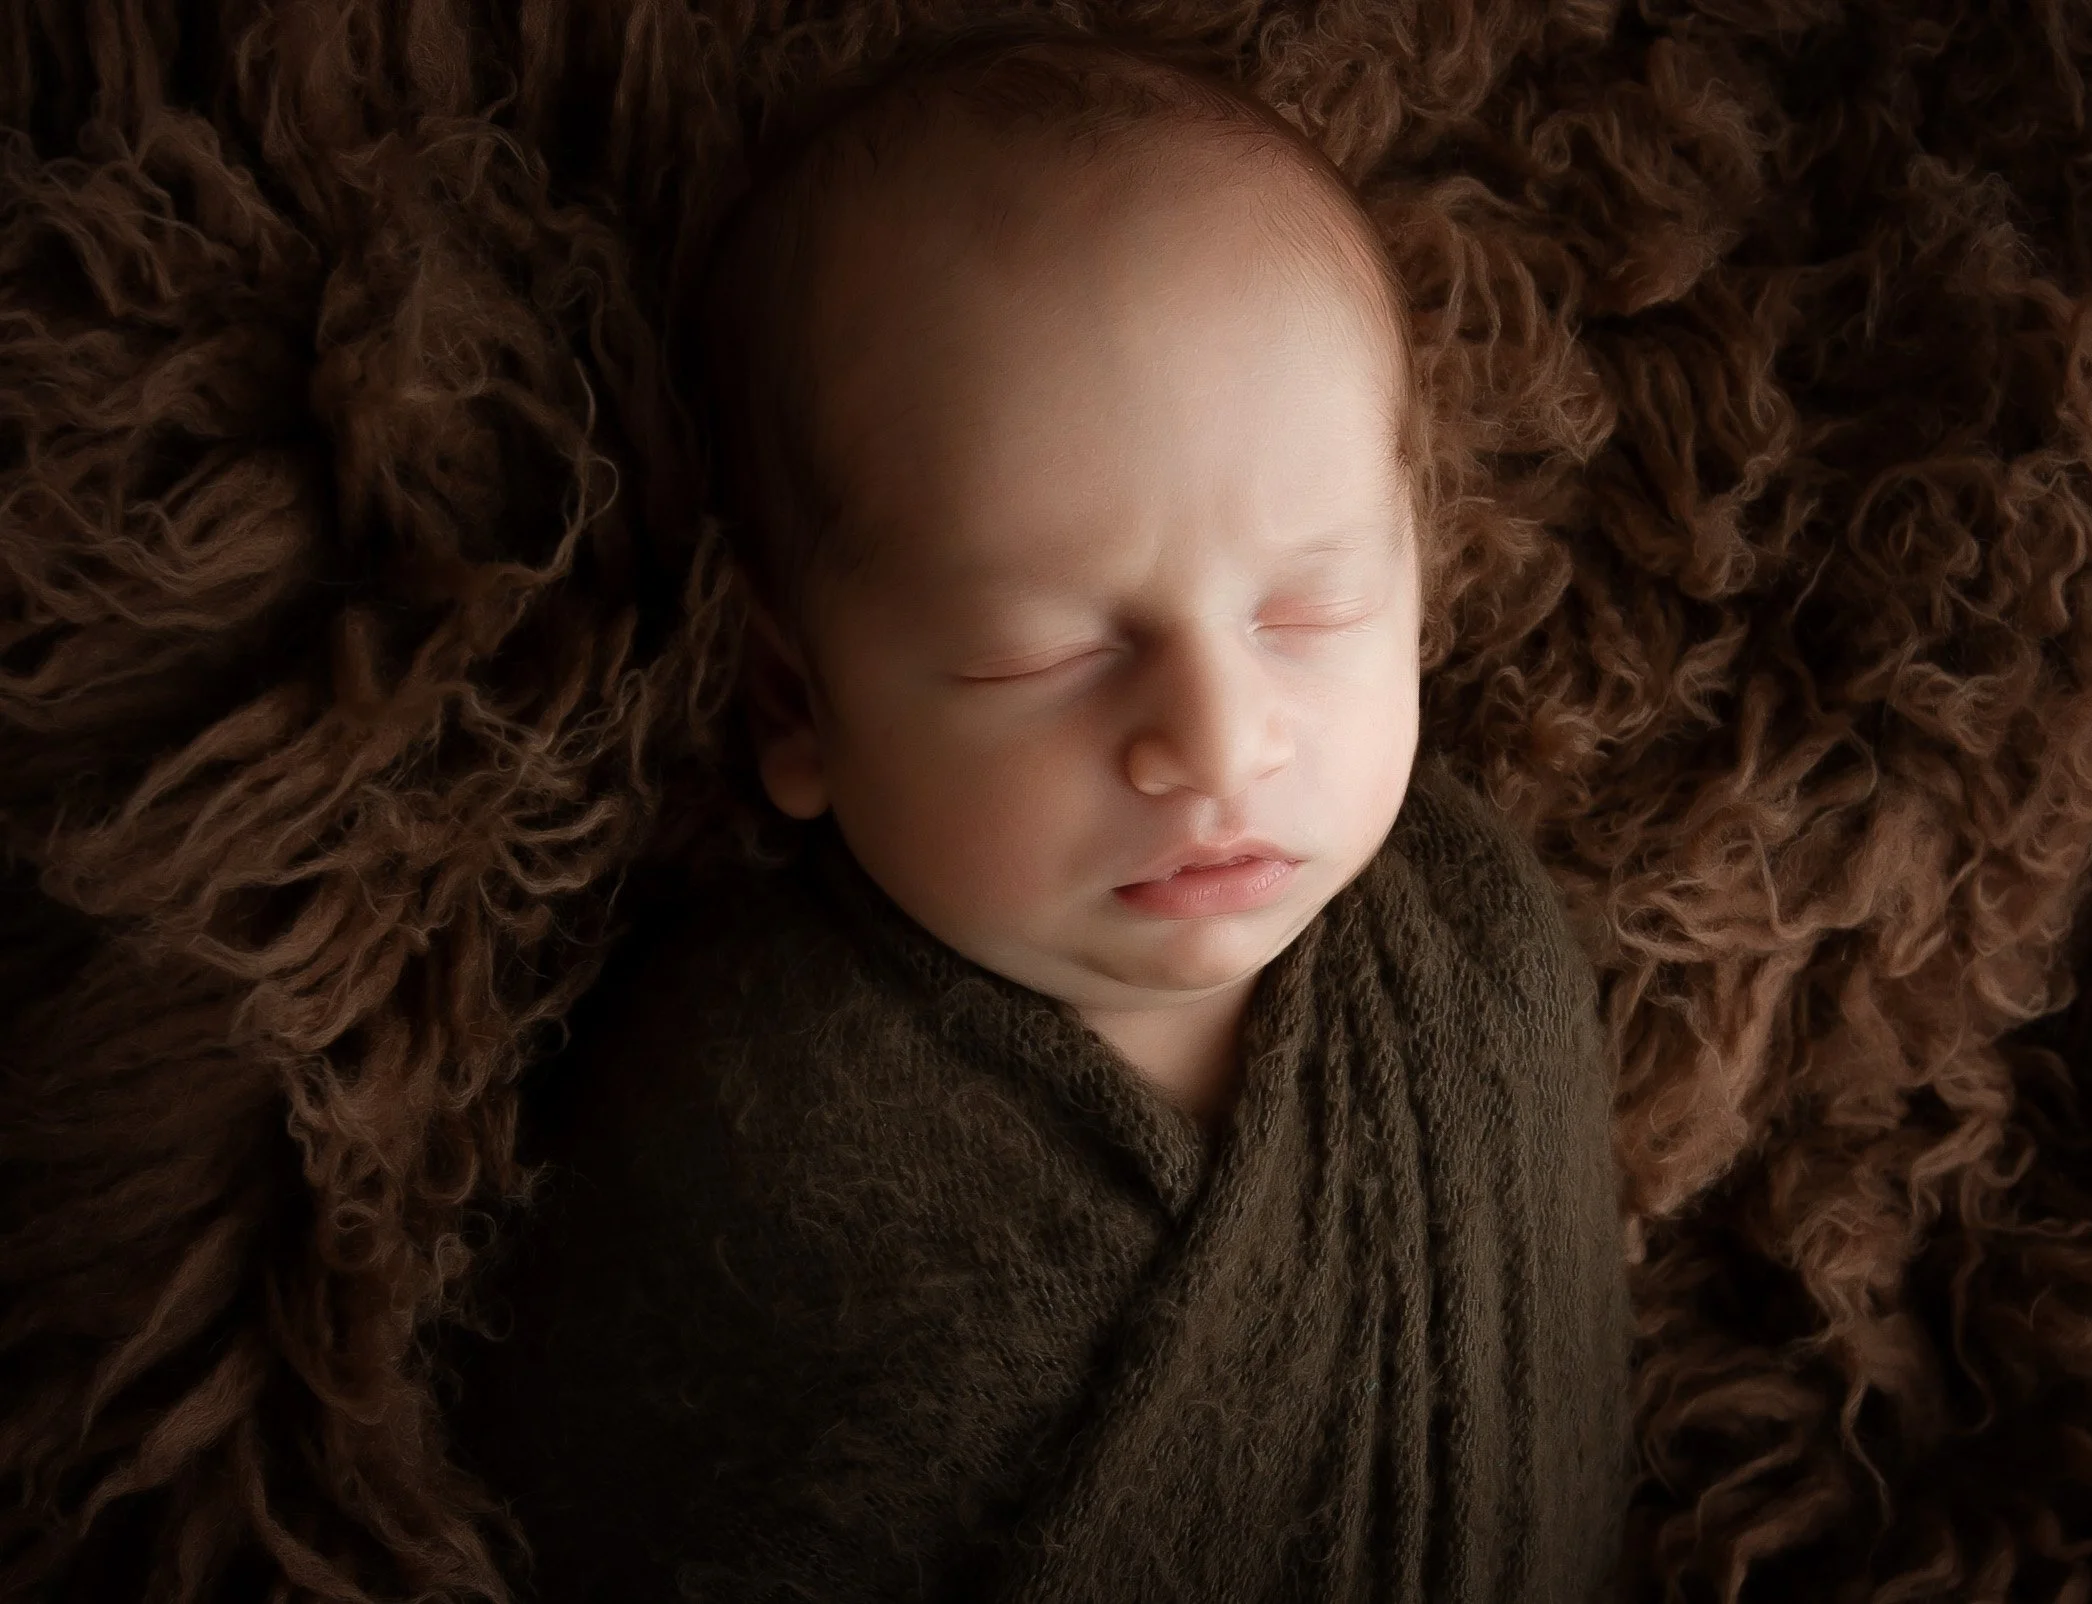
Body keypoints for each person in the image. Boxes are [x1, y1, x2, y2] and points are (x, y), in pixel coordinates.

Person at [443, 17, 1638, 1602]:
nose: (1216, 739)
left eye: (1311, 610)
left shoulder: (1478, 964)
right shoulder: (741, 1131)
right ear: (799, 703)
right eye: (1049, 653)